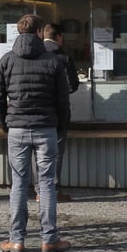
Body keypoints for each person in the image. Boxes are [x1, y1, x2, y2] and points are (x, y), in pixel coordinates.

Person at [0, 14, 72, 252]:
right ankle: (49, 238)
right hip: (46, 127)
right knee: (46, 184)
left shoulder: (6, 60)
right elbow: (63, 100)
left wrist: (7, 122)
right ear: (39, 32)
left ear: (19, 32)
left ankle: (16, 239)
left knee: (18, 183)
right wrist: (61, 125)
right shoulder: (53, 61)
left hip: (17, 128)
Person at [42, 22, 79, 201]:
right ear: (58, 37)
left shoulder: (36, 54)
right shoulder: (63, 57)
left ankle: (40, 190)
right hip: (59, 111)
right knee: (56, 152)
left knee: (39, 152)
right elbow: (73, 85)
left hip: (39, 111)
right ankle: (53, 190)